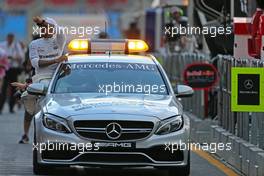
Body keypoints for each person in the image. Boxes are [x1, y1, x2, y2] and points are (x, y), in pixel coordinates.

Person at [13, 16, 67, 143]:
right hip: (40, 78)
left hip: (57, 79)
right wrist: (55, 60)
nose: (45, 29)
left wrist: (43, 22)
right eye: (42, 28)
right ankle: (25, 134)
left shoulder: (59, 41)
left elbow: (59, 31)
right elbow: (35, 63)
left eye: (47, 27)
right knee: (29, 109)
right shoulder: (34, 44)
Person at [0, 33, 24, 114]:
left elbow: (21, 57)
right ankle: (1, 108)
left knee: (14, 88)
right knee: (4, 89)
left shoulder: (16, 46)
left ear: (13, 38)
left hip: (13, 69)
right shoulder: (2, 45)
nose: (10, 39)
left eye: (11, 38)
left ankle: (11, 107)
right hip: (5, 69)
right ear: (7, 38)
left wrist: (12, 57)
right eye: (9, 37)